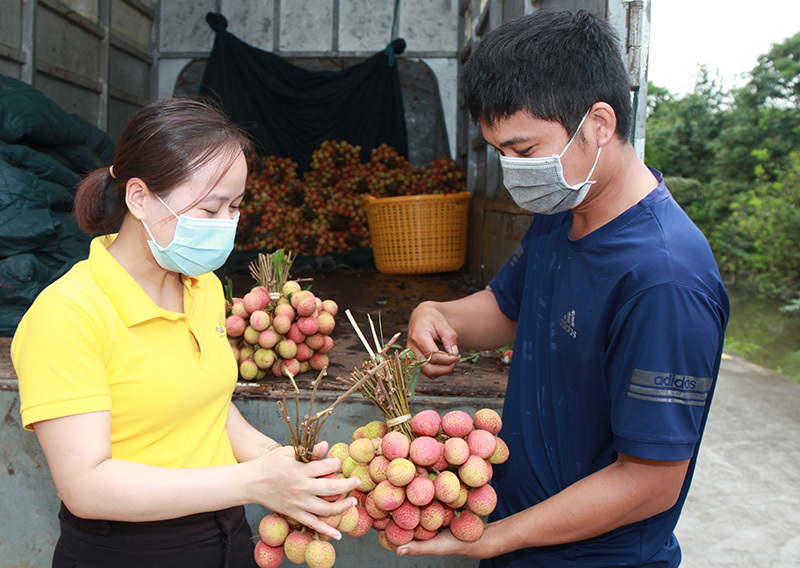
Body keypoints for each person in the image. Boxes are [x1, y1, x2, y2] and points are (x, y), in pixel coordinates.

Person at [401, 9, 729, 568]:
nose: (512, 170)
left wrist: (498, 537)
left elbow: (650, 482)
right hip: (517, 533)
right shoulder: (564, 206)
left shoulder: (665, 280)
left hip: (594, 559)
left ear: (599, 123)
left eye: (524, 152)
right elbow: (509, 307)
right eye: (498, 153)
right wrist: (440, 314)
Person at [10, 97, 359, 568]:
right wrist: (254, 482)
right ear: (138, 197)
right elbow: (86, 487)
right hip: (128, 552)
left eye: (235, 207)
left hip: (228, 535)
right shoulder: (69, 313)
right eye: (210, 209)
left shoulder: (203, 287)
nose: (226, 225)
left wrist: (283, 463)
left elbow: (209, 411)